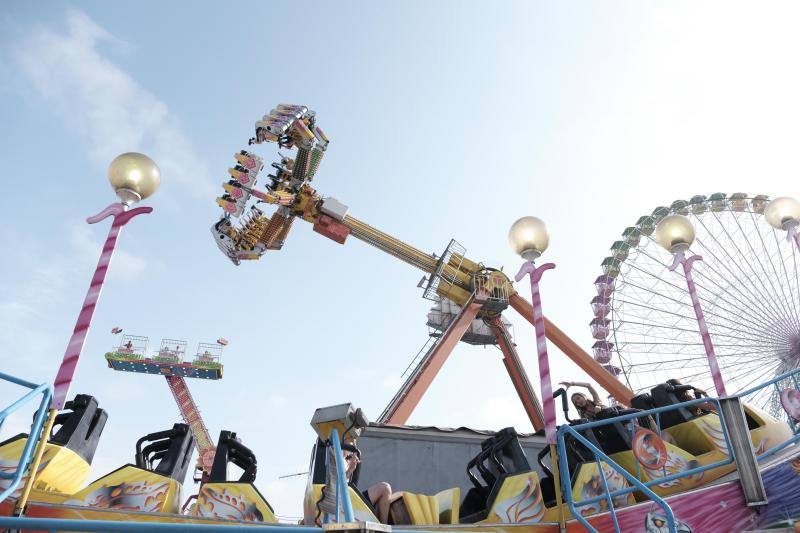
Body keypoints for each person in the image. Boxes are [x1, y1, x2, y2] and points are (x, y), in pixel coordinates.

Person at [342, 442, 396, 523]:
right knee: (384, 488)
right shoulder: (335, 458)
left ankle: (381, 525)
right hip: (344, 502)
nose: (353, 443)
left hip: (351, 497)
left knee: (385, 490)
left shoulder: (346, 460)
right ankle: (384, 527)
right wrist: (350, 470)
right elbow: (336, 485)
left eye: (354, 441)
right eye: (351, 441)